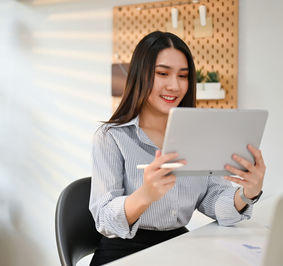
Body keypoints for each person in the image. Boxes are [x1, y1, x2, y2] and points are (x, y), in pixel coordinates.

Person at [89, 31, 265, 266]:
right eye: (162, 73)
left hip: (177, 246)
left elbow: (214, 201)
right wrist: (145, 195)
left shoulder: (199, 136)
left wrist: (247, 193)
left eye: (183, 76)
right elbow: (103, 220)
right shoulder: (112, 137)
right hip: (123, 253)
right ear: (140, 75)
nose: (175, 85)